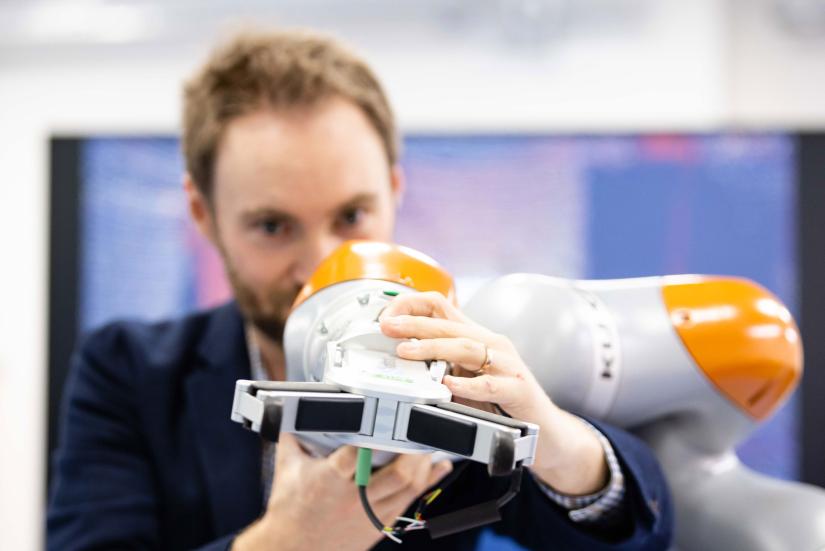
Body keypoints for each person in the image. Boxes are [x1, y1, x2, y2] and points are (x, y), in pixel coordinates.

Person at [47, 30, 673, 550]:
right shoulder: (128, 372)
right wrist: (288, 542)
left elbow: (634, 530)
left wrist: (557, 443)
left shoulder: (456, 366)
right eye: (272, 226)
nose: (322, 265)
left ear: (395, 192)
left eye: (352, 217)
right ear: (203, 214)